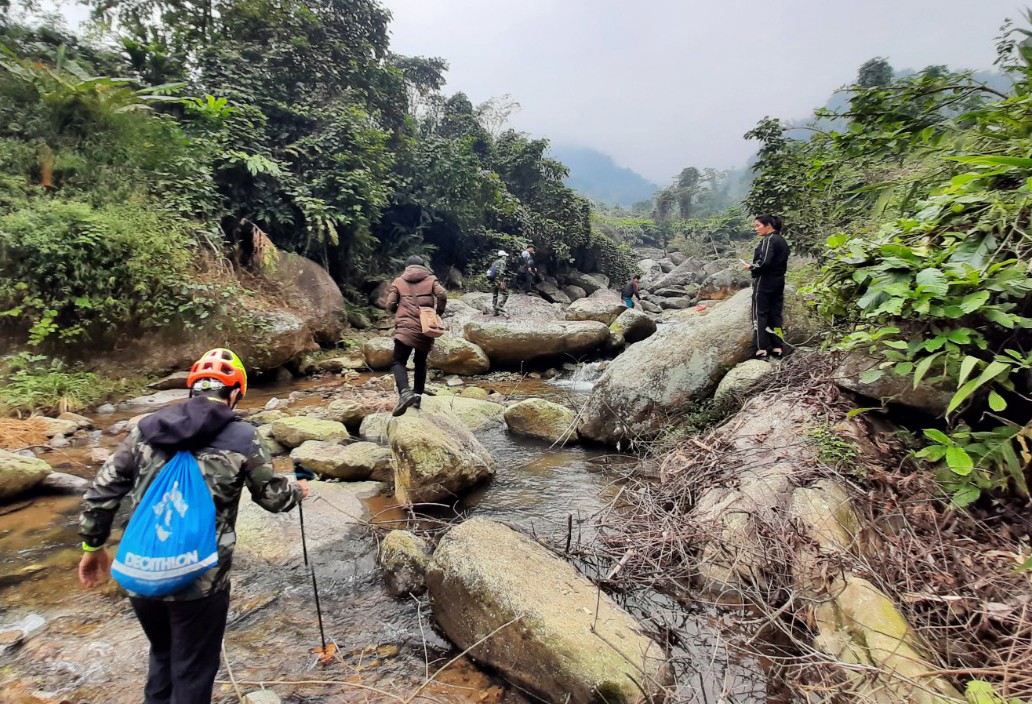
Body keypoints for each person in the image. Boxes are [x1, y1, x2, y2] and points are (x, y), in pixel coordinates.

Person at [78, 348, 308, 704]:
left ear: (192, 389)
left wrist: (93, 546)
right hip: (201, 580)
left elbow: (101, 491)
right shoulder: (242, 437)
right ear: (235, 393)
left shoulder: (145, 429)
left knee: (162, 655)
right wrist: (299, 490)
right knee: (193, 670)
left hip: (142, 571)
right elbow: (273, 499)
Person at [386, 255, 447, 416]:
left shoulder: (399, 281)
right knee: (420, 362)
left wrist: (399, 313)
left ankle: (405, 392)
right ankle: (418, 395)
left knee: (398, 361)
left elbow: (390, 304)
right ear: (423, 266)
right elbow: (442, 295)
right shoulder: (431, 279)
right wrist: (437, 313)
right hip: (425, 326)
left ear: (406, 267)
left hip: (405, 327)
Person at [743, 214, 790, 359]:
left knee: (760, 313)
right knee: (776, 313)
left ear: (768, 225)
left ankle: (762, 348)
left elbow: (764, 262)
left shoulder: (769, 240)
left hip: (764, 281)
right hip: (779, 280)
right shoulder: (782, 240)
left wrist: (752, 267)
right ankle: (778, 347)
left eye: (758, 225)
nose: (756, 229)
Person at [489, 249, 511, 316]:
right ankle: (499, 306)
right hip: (498, 281)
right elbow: (501, 272)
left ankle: (495, 311)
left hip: (492, 280)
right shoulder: (502, 262)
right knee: (506, 293)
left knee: (495, 295)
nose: (506, 257)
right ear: (503, 256)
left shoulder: (494, 262)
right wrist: (501, 282)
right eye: (505, 256)